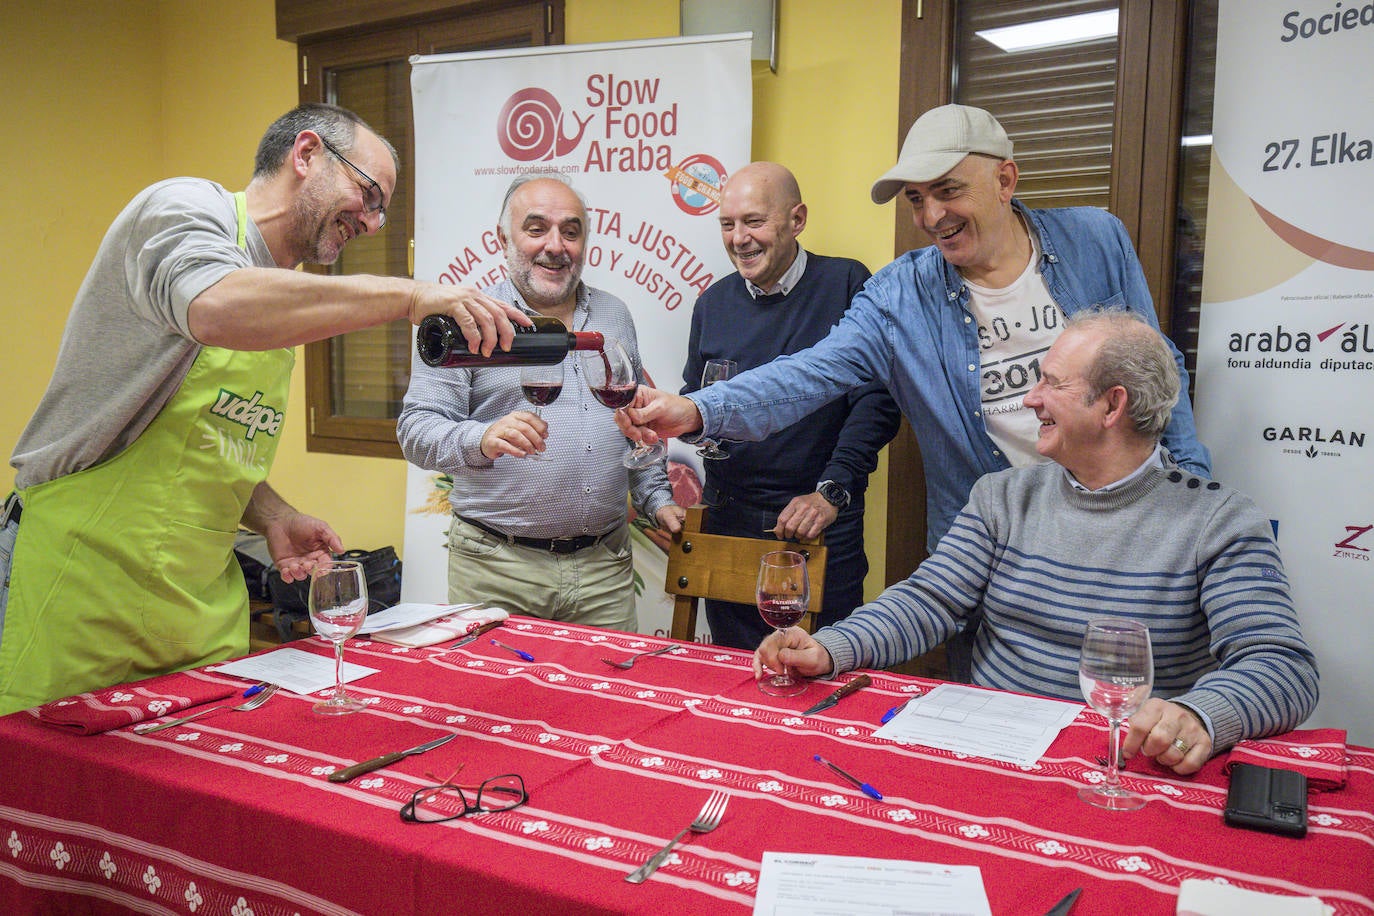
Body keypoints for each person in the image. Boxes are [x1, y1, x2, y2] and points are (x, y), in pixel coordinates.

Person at [617, 104, 1212, 676]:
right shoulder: (901, 294)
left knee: (1132, 714)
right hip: (1000, 556)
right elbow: (811, 373)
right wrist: (697, 408)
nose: (930, 217)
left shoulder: (1095, 240)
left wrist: (1189, 498)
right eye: (916, 199)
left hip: (1132, 529)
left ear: (1004, 179)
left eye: (948, 190)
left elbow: (1156, 374)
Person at [0, 103, 527, 716]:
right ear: (305, 155)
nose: (376, 222)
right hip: (80, 598)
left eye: (383, 208)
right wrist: (411, 295)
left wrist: (273, 514)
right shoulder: (185, 212)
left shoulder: (283, 294)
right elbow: (216, 305)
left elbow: (197, 444)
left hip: (196, 618)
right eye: (369, 193)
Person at [754, 310, 1318, 775]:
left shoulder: (1218, 521)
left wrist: (1201, 714)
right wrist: (832, 647)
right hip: (990, 758)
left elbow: (1282, 666)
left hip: (1121, 770)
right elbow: (930, 602)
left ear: (1111, 405)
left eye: (1051, 382)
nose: (1030, 399)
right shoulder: (1003, 496)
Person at [398, 172, 684, 630]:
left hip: (604, 571)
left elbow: (636, 421)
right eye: (536, 229)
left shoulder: (615, 315)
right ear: (503, 239)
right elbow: (416, 430)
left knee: (604, 701)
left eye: (571, 232)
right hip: (497, 569)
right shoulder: (462, 320)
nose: (556, 245)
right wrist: (482, 438)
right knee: (493, 702)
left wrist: (654, 498)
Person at [682, 162, 900, 649]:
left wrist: (831, 492)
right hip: (729, 522)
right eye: (727, 224)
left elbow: (877, 402)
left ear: (797, 219)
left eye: (754, 221)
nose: (739, 239)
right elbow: (697, 398)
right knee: (734, 682)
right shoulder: (712, 303)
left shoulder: (847, 283)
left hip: (817, 522)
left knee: (819, 679)